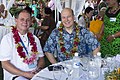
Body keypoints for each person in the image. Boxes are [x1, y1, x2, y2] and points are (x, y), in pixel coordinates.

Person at [0, 9, 45, 80]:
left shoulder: (35, 39)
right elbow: (5, 64)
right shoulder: (7, 39)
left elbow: (41, 58)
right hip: (16, 76)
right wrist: (25, 74)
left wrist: (38, 70)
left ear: (31, 21)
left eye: (28, 19)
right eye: (22, 19)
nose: (25, 22)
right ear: (16, 20)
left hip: (35, 75)